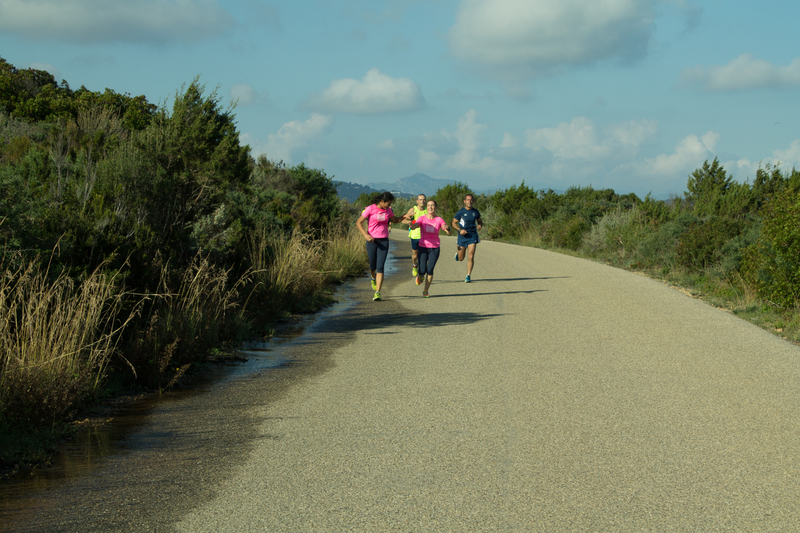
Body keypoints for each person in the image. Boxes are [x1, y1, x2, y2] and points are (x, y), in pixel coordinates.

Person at [356, 192, 409, 301]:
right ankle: (372, 277)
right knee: (372, 266)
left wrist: (403, 217)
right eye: (388, 204)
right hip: (372, 240)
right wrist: (366, 235)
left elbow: (394, 220)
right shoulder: (370, 209)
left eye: (390, 204)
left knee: (380, 267)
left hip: (384, 240)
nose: (389, 206)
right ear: (381, 201)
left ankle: (377, 292)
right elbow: (358, 222)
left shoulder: (388, 211)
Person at [409, 200, 450, 297]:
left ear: (436, 208)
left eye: (432, 205)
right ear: (426, 207)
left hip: (435, 248)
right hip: (423, 247)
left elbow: (448, 231)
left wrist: (448, 229)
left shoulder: (439, 220)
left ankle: (426, 290)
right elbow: (416, 225)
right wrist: (412, 225)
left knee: (430, 269)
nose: (430, 207)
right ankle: (420, 275)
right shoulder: (422, 218)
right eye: (428, 205)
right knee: (422, 270)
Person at [452, 193, 482, 283]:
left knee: (471, 255)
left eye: (471, 200)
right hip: (462, 236)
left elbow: (479, 221)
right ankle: (458, 254)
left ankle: (468, 275)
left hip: (472, 235)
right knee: (461, 258)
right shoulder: (461, 212)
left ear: (473, 201)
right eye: (467, 200)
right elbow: (453, 223)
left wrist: (480, 225)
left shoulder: (475, 212)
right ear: (465, 201)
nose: (469, 201)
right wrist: (459, 230)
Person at [404, 194, 427, 278]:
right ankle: (414, 265)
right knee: (415, 255)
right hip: (415, 235)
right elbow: (404, 221)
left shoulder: (427, 210)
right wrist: (410, 222)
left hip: (425, 236)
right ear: (417, 201)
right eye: (420, 199)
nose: (422, 201)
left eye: (424, 199)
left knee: (425, 255)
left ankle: (422, 272)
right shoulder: (413, 209)